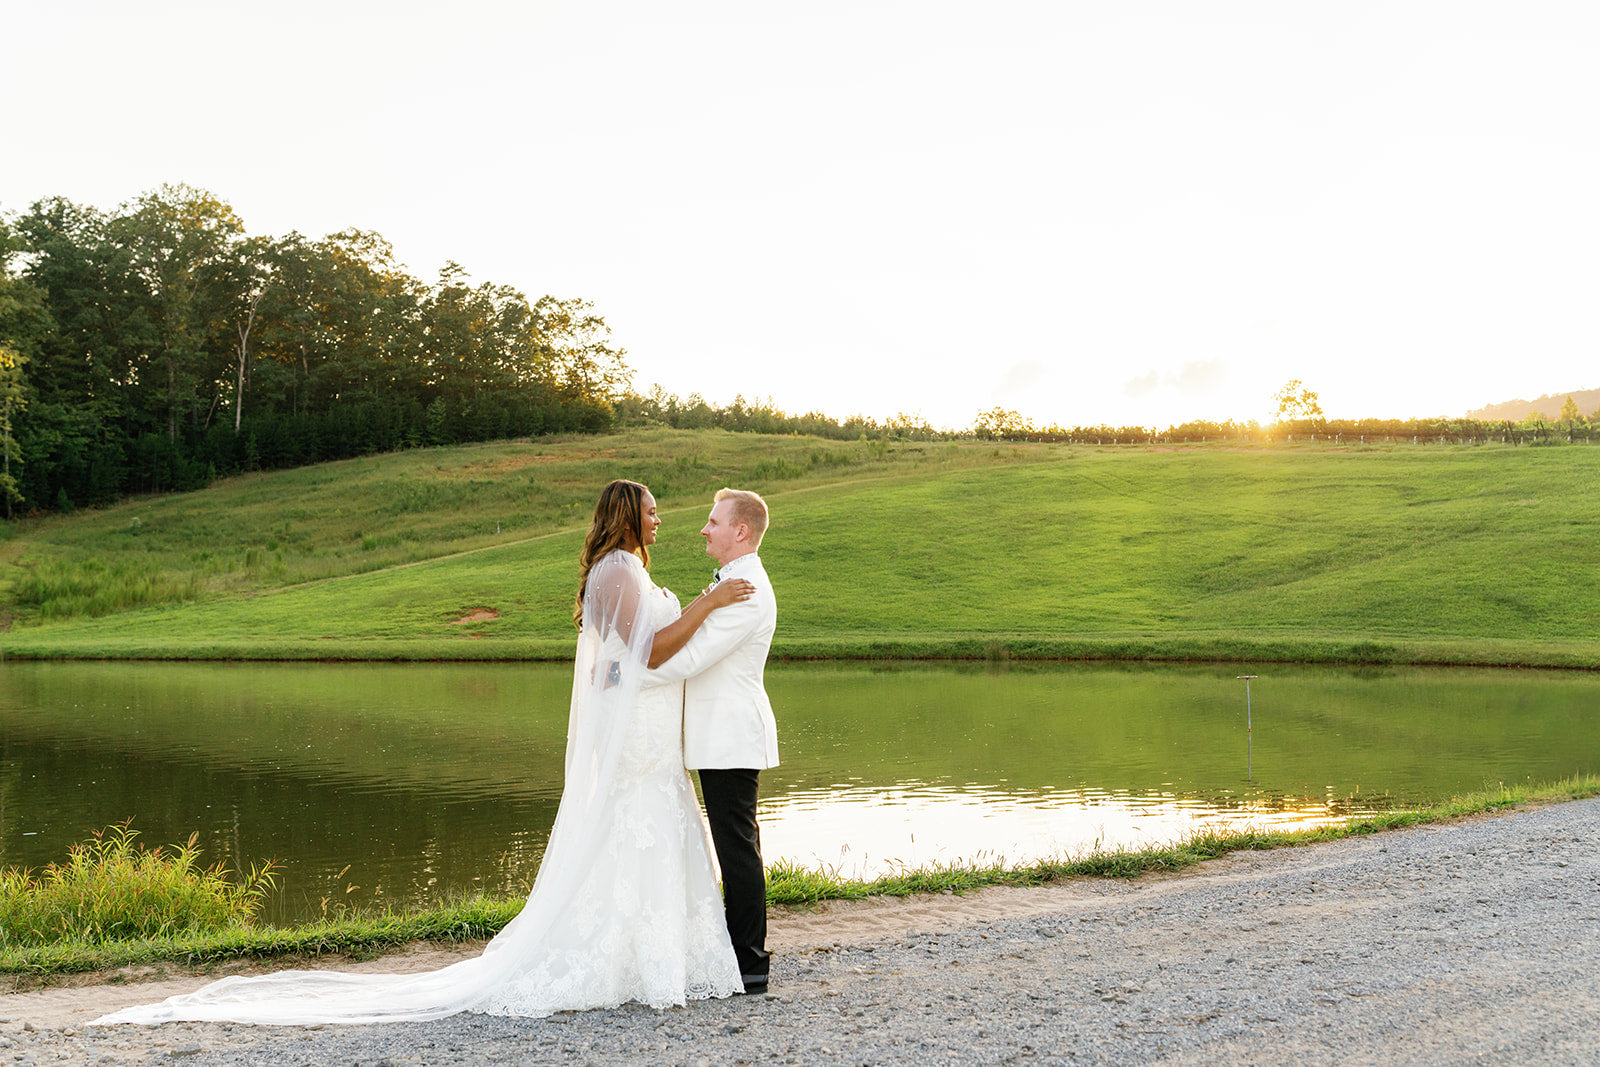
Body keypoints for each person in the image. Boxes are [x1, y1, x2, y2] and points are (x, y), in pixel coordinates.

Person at [93, 479, 752, 1026]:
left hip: (649, 732)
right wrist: (711, 598)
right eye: (653, 509)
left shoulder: (628, 569)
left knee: (644, 834)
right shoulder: (617, 570)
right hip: (637, 739)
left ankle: (647, 958)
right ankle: (615, 957)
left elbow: (620, 659)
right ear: (626, 515)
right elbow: (653, 650)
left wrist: (640, 654)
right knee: (628, 832)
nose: (662, 518)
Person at [643, 487, 778, 994]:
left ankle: (750, 963)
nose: (704, 528)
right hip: (720, 735)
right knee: (737, 844)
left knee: (737, 848)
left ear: (739, 530)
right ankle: (743, 956)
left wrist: (627, 673)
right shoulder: (735, 582)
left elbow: (692, 659)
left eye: (713, 521)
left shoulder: (747, 590)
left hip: (730, 735)